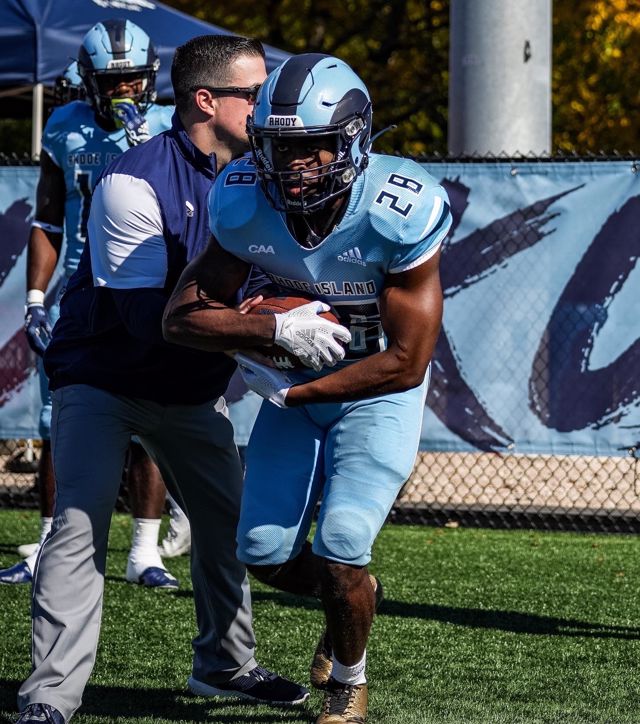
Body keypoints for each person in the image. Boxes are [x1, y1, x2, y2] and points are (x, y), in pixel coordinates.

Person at [13, 33, 309, 724]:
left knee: (227, 526)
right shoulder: (132, 179)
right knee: (78, 524)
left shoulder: (263, 175)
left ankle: (224, 666)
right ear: (206, 100)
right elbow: (152, 322)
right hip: (105, 375)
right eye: (255, 94)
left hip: (192, 384)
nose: (269, 106)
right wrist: (269, 331)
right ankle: (49, 697)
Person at [162, 53, 451, 724]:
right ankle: (354, 598)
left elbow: (407, 362)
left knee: (343, 543)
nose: (293, 166)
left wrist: (293, 394)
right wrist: (270, 331)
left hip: (375, 390)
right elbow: (181, 317)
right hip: (294, 385)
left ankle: (348, 682)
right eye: (279, 148)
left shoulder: (398, 208)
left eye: (312, 147)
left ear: (352, 139)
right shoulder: (242, 200)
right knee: (261, 552)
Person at [0, 19, 188, 589]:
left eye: (133, 79)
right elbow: (48, 219)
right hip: (81, 298)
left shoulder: (170, 126)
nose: (124, 91)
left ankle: (144, 552)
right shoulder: (65, 127)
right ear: (88, 82)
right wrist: (36, 299)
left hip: (148, 289)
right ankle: (49, 543)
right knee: (60, 421)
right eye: (112, 82)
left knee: (151, 418)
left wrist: (154, 151)